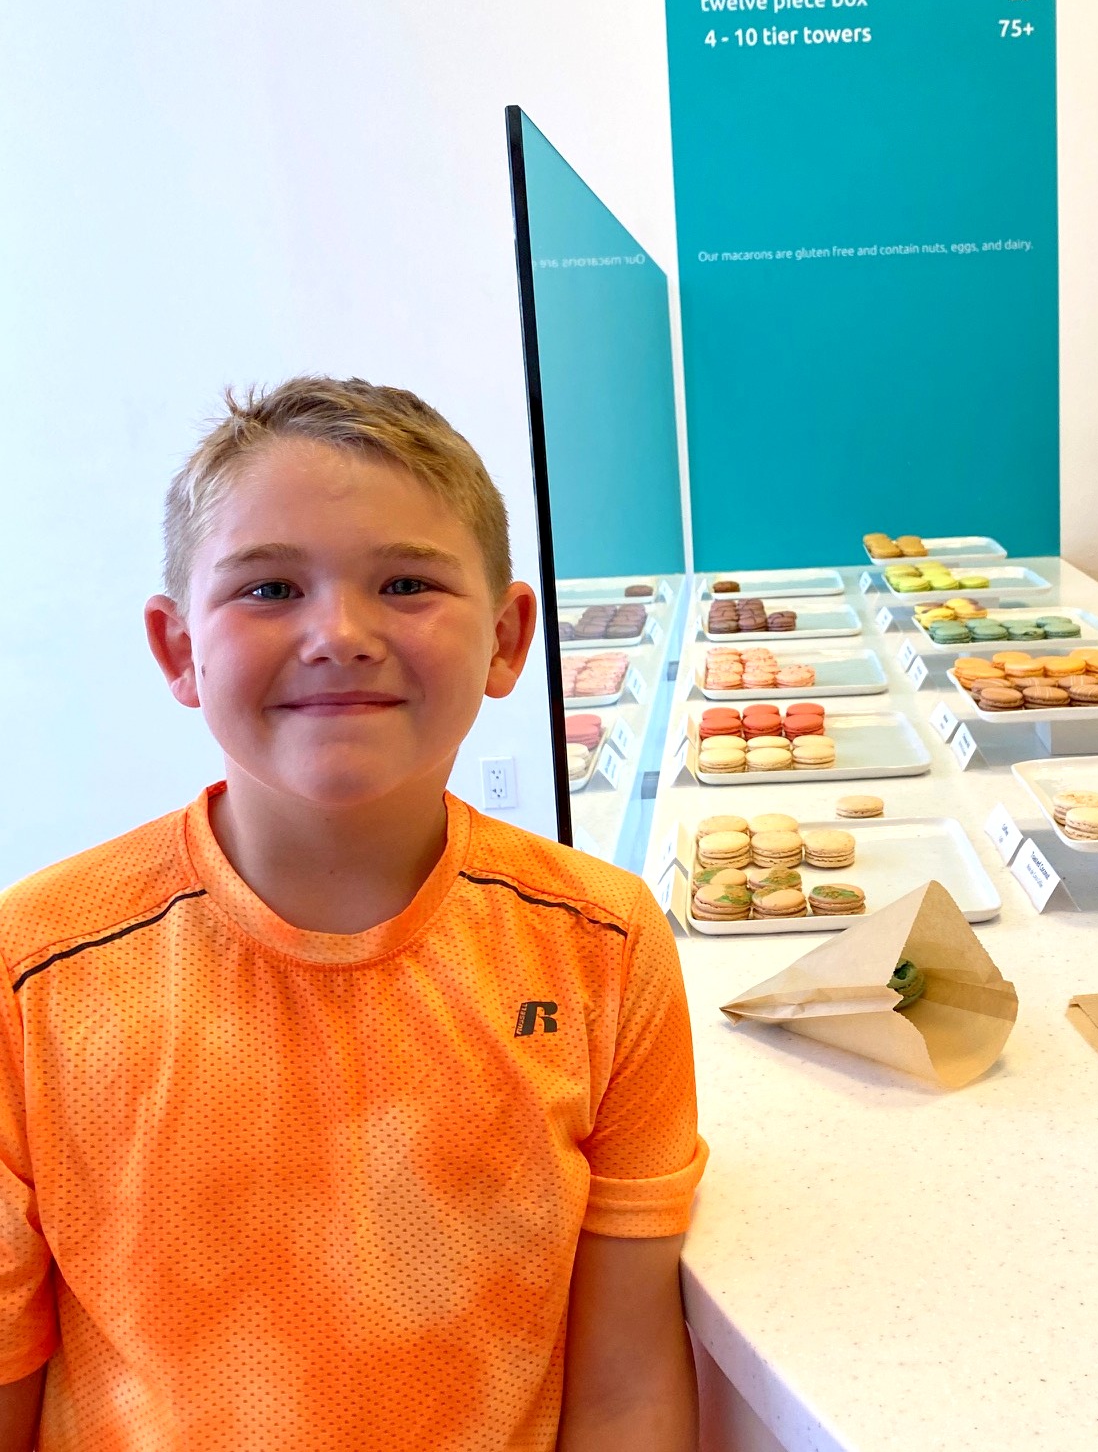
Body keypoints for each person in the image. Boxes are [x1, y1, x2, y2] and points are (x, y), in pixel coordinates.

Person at [0, 376, 706, 1450]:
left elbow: (626, 1388)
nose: (339, 633)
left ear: (510, 637)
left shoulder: (601, 947)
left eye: (408, 582)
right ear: (178, 648)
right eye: (271, 589)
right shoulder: (34, 969)